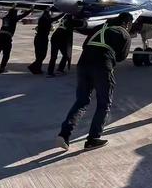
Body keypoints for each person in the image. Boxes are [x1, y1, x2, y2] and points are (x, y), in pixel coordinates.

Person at [57, 12, 133, 151]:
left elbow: (86, 45)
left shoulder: (99, 27)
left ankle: (64, 134)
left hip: (83, 64)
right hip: (102, 67)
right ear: (127, 23)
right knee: (104, 104)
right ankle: (93, 138)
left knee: (82, 101)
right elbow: (122, 57)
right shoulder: (124, 33)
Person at [0, 6, 34, 75]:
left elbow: (14, 15)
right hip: (6, 38)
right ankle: (2, 69)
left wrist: (13, 8)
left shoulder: (5, 18)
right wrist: (30, 10)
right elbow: (23, 15)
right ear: (14, 13)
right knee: (6, 54)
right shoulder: (14, 18)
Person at [28, 9, 65, 75]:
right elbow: (55, 19)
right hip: (42, 39)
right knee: (42, 55)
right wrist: (63, 13)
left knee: (39, 55)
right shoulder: (46, 19)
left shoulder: (42, 18)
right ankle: (33, 67)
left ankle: (37, 69)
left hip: (38, 38)